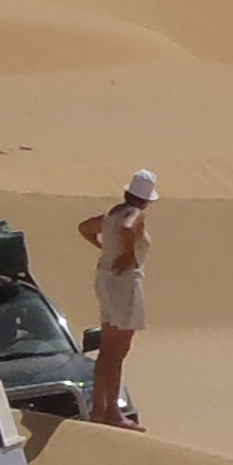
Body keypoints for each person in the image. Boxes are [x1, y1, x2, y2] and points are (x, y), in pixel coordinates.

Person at [75, 170, 156, 427]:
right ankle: (112, 412)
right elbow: (127, 226)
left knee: (107, 350)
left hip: (106, 279)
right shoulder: (134, 213)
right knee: (118, 350)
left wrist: (107, 249)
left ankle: (100, 409)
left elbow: (85, 228)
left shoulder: (112, 213)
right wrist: (127, 254)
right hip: (125, 283)